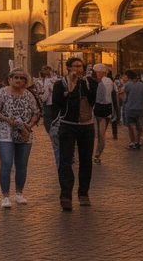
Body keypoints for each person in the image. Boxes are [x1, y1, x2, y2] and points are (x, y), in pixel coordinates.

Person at [0, 68, 41, 208]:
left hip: (24, 131)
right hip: (5, 132)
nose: (18, 80)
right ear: (10, 79)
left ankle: (19, 193)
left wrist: (29, 126)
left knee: (22, 165)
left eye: (22, 78)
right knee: (6, 163)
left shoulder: (28, 95)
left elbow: (36, 112)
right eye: (16, 77)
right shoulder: (1, 93)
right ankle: (5, 196)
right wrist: (7, 120)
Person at [50, 56, 98, 211]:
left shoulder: (88, 83)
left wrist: (82, 84)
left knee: (86, 161)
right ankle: (66, 195)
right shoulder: (60, 84)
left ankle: (83, 193)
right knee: (65, 160)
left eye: (81, 66)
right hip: (67, 125)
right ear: (69, 68)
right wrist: (70, 88)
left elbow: (93, 101)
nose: (79, 69)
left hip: (87, 126)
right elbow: (56, 105)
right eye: (76, 66)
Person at [91, 63, 114, 164]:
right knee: (102, 134)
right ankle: (98, 153)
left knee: (97, 133)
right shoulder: (110, 81)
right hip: (108, 108)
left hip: (97, 108)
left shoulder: (97, 82)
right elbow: (113, 95)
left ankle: (94, 153)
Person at [121, 70, 143, 150]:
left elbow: (122, 96)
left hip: (130, 108)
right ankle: (138, 141)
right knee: (139, 126)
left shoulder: (127, 85)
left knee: (131, 126)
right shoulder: (142, 85)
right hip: (141, 108)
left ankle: (134, 142)